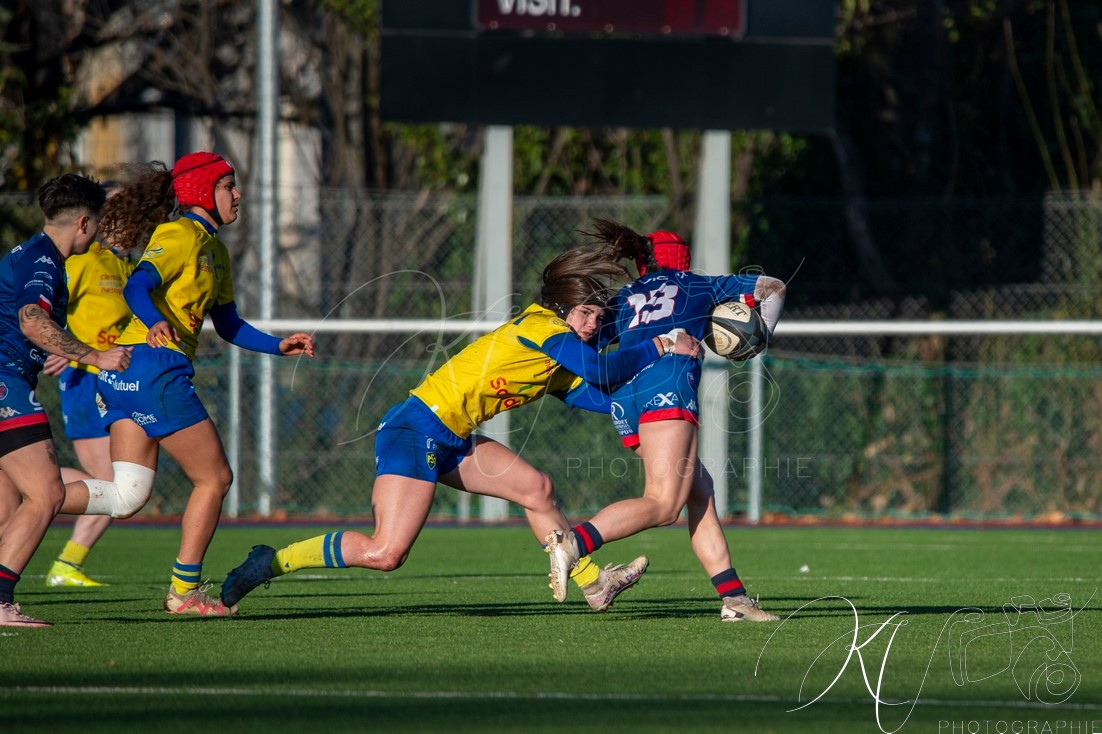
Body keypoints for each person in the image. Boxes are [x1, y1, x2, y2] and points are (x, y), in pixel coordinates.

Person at [219, 246, 701, 612]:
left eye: (598, 316)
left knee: (537, 489)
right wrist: (661, 347)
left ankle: (594, 584)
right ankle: (271, 561)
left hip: (450, 437)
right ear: (559, 308)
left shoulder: (560, 348)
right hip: (414, 429)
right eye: (585, 314)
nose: (594, 324)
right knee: (386, 552)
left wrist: (655, 408)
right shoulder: (542, 329)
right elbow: (600, 372)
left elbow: (593, 394)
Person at [56, 152, 315, 617]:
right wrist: (155, 322)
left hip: (129, 371)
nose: (237, 194)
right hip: (153, 367)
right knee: (215, 478)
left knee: (126, 496)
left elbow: (229, 323)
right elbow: (139, 286)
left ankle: (30, 491)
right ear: (200, 192)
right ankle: (184, 591)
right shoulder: (179, 234)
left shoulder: (215, 250)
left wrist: (279, 347)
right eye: (227, 186)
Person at [544, 220, 787, 622]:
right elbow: (773, 287)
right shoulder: (696, 285)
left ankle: (735, 599)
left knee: (698, 489)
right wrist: (761, 334)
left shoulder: (622, 299)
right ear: (683, 258)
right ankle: (574, 543)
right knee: (663, 503)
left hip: (626, 396)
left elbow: (587, 341)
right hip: (668, 382)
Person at [0, 173, 132, 627]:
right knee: (46, 493)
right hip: (6, 385)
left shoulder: (28, 252)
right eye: (96, 223)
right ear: (83, 223)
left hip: (11, 379)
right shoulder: (45, 261)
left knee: (7, 508)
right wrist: (95, 355)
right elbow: (32, 320)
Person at [40, 178, 150, 587]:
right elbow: (41, 308)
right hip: (84, 381)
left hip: (115, 383)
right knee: (112, 483)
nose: (129, 216)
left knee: (123, 485)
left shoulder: (129, 266)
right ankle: (29, 489)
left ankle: (66, 561)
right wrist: (62, 347)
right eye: (119, 207)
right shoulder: (83, 261)